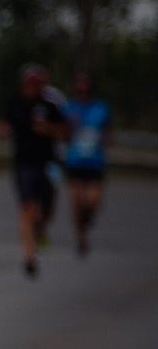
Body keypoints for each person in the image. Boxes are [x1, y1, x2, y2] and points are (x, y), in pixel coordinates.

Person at [1, 65, 68, 277]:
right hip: (24, 164)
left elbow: (66, 133)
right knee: (28, 208)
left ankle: (41, 229)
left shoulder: (50, 106)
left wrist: (47, 129)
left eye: (36, 84)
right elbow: (3, 128)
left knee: (46, 208)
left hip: (48, 163)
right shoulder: (16, 104)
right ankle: (30, 256)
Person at [62, 71, 112, 256]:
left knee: (92, 201)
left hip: (95, 161)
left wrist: (104, 143)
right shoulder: (70, 109)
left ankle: (86, 222)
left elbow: (107, 131)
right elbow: (64, 134)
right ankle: (80, 236)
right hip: (75, 160)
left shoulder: (101, 108)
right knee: (76, 201)